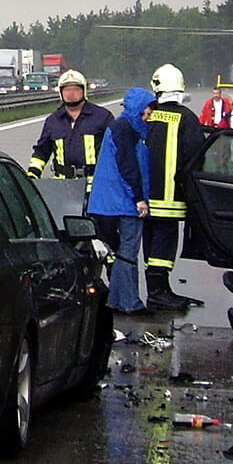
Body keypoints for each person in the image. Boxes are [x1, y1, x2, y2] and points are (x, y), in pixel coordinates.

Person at [143, 63, 206, 310]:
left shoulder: (147, 114)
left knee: (151, 240)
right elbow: (196, 156)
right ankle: (159, 291)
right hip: (172, 195)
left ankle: (158, 288)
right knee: (165, 241)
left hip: (145, 196)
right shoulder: (188, 119)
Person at [87, 87, 154, 315]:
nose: (149, 115)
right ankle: (129, 302)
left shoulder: (120, 128)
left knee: (120, 252)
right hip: (123, 202)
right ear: (139, 108)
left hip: (106, 203)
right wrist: (139, 198)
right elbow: (128, 165)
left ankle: (116, 301)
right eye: (147, 110)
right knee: (128, 252)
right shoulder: (126, 130)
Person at [26, 69, 114, 194]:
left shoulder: (102, 117)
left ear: (84, 91)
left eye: (75, 89)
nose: (71, 94)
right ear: (61, 93)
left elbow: (117, 150)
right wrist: (32, 177)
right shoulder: (53, 121)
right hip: (63, 188)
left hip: (97, 188)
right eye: (67, 90)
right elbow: (41, 152)